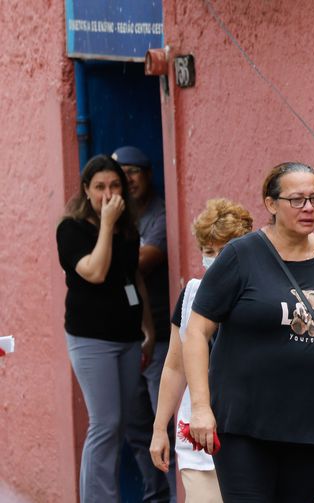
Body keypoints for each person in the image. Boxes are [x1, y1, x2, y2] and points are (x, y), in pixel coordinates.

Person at [183, 162, 314, 502]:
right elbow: (197, 331)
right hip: (245, 426)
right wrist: (201, 407)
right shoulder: (240, 255)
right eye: (297, 199)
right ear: (271, 203)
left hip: (309, 426)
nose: (308, 208)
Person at [56, 154, 156, 502]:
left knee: (121, 424)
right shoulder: (72, 229)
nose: (108, 193)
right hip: (91, 338)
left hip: (128, 338)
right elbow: (95, 272)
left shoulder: (128, 228)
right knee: (105, 423)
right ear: (86, 190)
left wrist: (149, 330)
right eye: (99, 187)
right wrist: (107, 226)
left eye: (114, 186)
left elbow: (134, 279)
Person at [150, 198, 254, 503]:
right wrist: (159, 430)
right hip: (197, 436)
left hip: (252, 434)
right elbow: (174, 366)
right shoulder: (192, 294)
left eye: (225, 251)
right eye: (209, 252)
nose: (216, 260)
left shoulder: (261, 296)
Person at [112, 145, 176, 502]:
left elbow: (143, 260)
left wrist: (103, 250)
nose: (129, 179)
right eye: (123, 174)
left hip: (162, 339)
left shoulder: (160, 213)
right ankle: (155, 498)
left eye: (135, 171)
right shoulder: (116, 218)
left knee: (164, 428)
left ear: (148, 174)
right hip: (122, 339)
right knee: (135, 429)